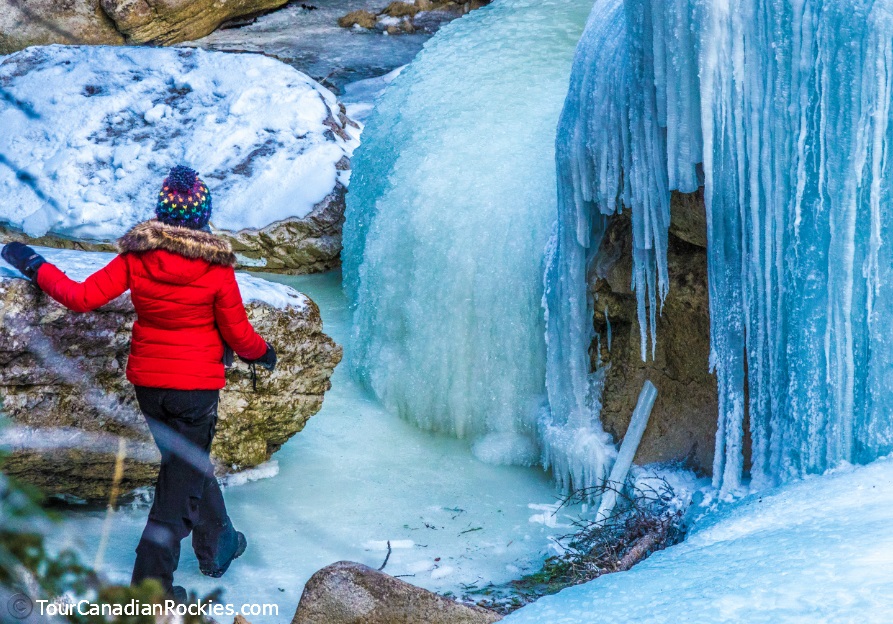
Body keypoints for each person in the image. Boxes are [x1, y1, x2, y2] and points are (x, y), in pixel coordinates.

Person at [1, 165, 276, 600]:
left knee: (186, 466)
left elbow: (80, 297)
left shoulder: (138, 256)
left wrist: (33, 265)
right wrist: (263, 353)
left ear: (162, 214)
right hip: (195, 392)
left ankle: (218, 542)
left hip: (150, 386)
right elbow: (239, 335)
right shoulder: (216, 269)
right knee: (174, 497)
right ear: (204, 216)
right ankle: (151, 592)